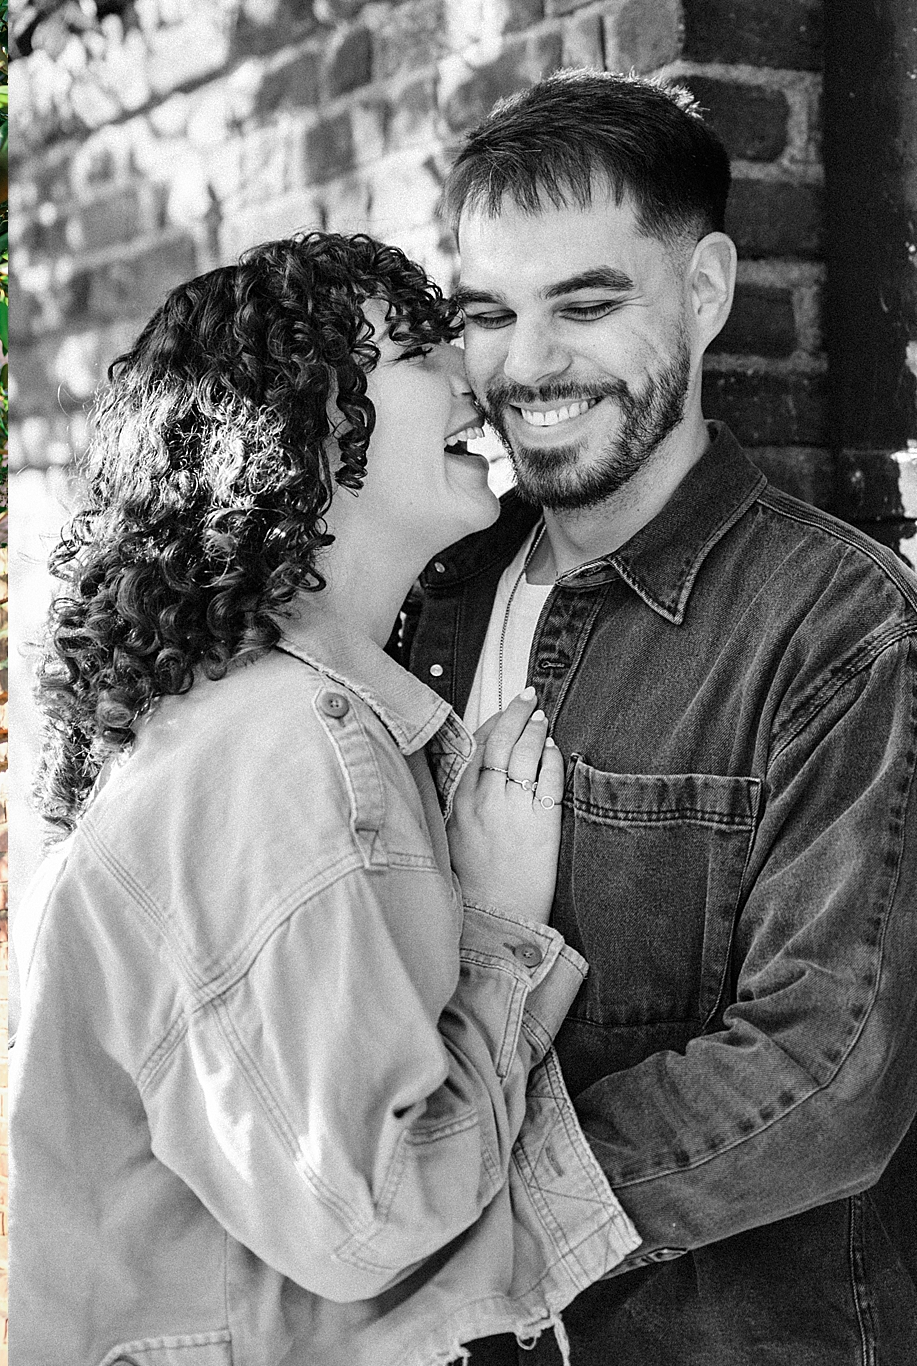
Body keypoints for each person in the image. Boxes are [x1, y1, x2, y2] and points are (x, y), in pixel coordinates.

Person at [10, 232, 639, 1364]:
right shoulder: (283, 747)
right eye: (412, 350)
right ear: (295, 433)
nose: (471, 376)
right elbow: (364, 1215)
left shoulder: (250, 726)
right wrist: (498, 928)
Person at [411, 72, 917, 1364]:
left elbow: (828, 1067)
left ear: (700, 294)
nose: (525, 366)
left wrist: (465, 1220)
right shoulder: (423, 602)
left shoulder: (838, 625)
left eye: (584, 304)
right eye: (486, 314)